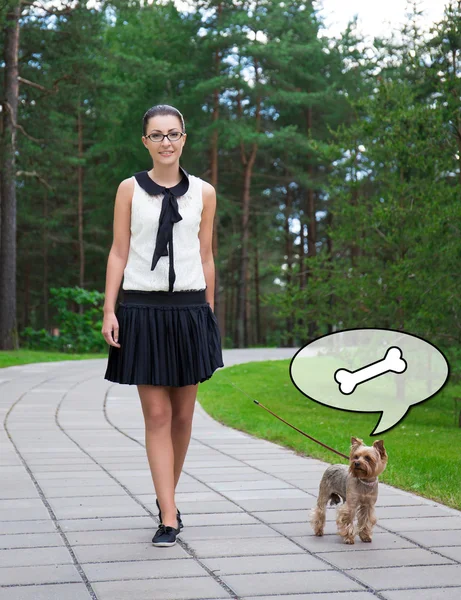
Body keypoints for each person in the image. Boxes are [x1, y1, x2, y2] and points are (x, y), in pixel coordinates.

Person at [101, 104, 224, 548]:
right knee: (157, 414)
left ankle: (164, 496)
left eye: (173, 134)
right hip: (141, 309)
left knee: (184, 416)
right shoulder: (128, 190)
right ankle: (169, 515)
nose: (166, 142)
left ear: (184, 139)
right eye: (157, 135)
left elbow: (206, 254)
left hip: (190, 310)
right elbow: (118, 251)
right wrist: (109, 309)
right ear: (145, 142)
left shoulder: (204, 194)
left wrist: (208, 310)